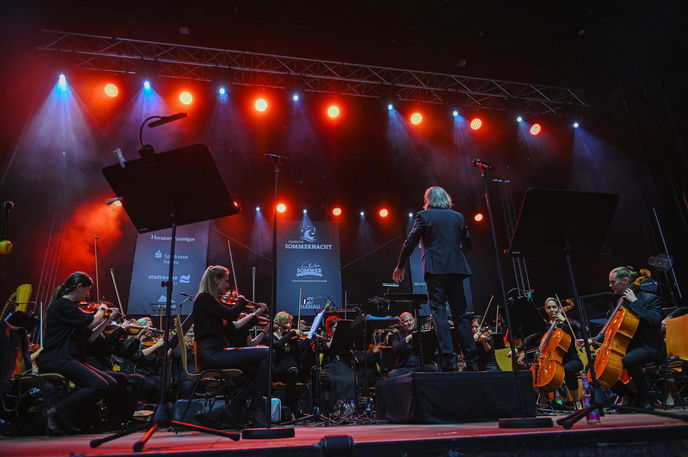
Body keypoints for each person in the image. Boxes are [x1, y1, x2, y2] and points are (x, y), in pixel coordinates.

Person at [392, 186, 478, 371]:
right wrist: (457, 255)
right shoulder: (458, 216)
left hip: (436, 270)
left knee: (439, 313)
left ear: (428, 200)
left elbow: (410, 241)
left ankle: (449, 360)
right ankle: (472, 360)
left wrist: (400, 265)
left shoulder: (424, 216)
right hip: (457, 269)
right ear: (446, 198)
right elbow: (469, 243)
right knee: (461, 315)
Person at [37, 272, 116, 434]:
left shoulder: (71, 309)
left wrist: (107, 320)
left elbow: (90, 337)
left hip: (68, 358)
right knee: (99, 384)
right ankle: (55, 412)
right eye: (87, 290)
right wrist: (101, 309)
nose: (88, 295)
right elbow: (91, 322)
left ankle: (70, 414)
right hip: (56, 357)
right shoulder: (62, 305)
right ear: (79, 287)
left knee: (111, 382)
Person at [192, 265, 270, 426]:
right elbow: (231, 314)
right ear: (216, 280)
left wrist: (256, 318)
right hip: (210, 355)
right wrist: (240, 301)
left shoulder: (214, 302)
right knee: (268, 353)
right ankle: (254, 407)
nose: (228, 286)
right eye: (226, 281)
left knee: (255, 371)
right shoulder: (204, 299)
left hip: (218, 352)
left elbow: (233, 330)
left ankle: (230, 413)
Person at [605, 266, 665, 408]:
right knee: (594, 367)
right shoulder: (622, 301)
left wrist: (635, 302)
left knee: (629, 360)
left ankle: (646, 398)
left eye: (612, 282)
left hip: (650, 347)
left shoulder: (650, 298)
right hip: (629, 347)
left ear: (625, 281)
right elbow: (616, 329)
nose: (610, 285)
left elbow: (655, 321)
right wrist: (594, 340)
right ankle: (631, 396)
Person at [519, 298, 582, 399]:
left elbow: (583, 328)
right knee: (537, 373)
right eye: (549, 307)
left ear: (558, 308)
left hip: (572, 360)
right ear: (545, 310)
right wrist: (518, 349)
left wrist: (564, 320)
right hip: (553, 361)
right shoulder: (546, 326)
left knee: (567, 369)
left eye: (554, 307)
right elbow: (531, 337)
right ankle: (550, 402)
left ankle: (576, 401)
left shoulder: (567, 323)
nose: (552, 309)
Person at [387, 312, 439, 377]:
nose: (409, 323)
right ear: (401, 323)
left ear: (414, 320)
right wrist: (408, 338)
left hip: (421, 366)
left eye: (410, 320)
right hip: (405, 368)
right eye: (406, 321)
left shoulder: (420, 332)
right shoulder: (397, 335)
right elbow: (395, 349)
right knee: (392, 374)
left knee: (434, 369)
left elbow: (431, 347)